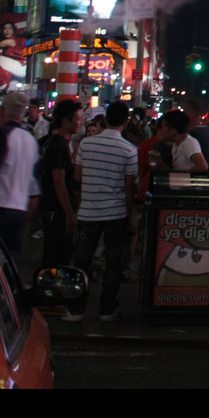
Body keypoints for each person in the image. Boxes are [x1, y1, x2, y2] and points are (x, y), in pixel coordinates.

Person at [69, 101, 138, 322]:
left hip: (87, 212)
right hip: (115, 213)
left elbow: (77, 177)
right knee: (113, 263)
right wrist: (129, 217)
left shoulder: (86, 145)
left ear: (105, 120)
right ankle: (107, 309)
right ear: (126, 123)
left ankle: (75, 309)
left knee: (81, 261)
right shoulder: (129, 150)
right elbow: (129, 188)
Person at [0, 91, 41, 268]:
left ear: (2, 110)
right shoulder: (31, 140)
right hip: (19, 212)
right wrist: (28, 219)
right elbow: (34, 187)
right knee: (10, 264)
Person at [39, 99, 83, 268]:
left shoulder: (61, 143)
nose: (80, 123)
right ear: (66, 121)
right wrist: (68, 213)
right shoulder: (58, 145)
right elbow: (59, 182)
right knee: (56, 254)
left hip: (57, 209)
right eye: (77, 119)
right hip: (56, 210)